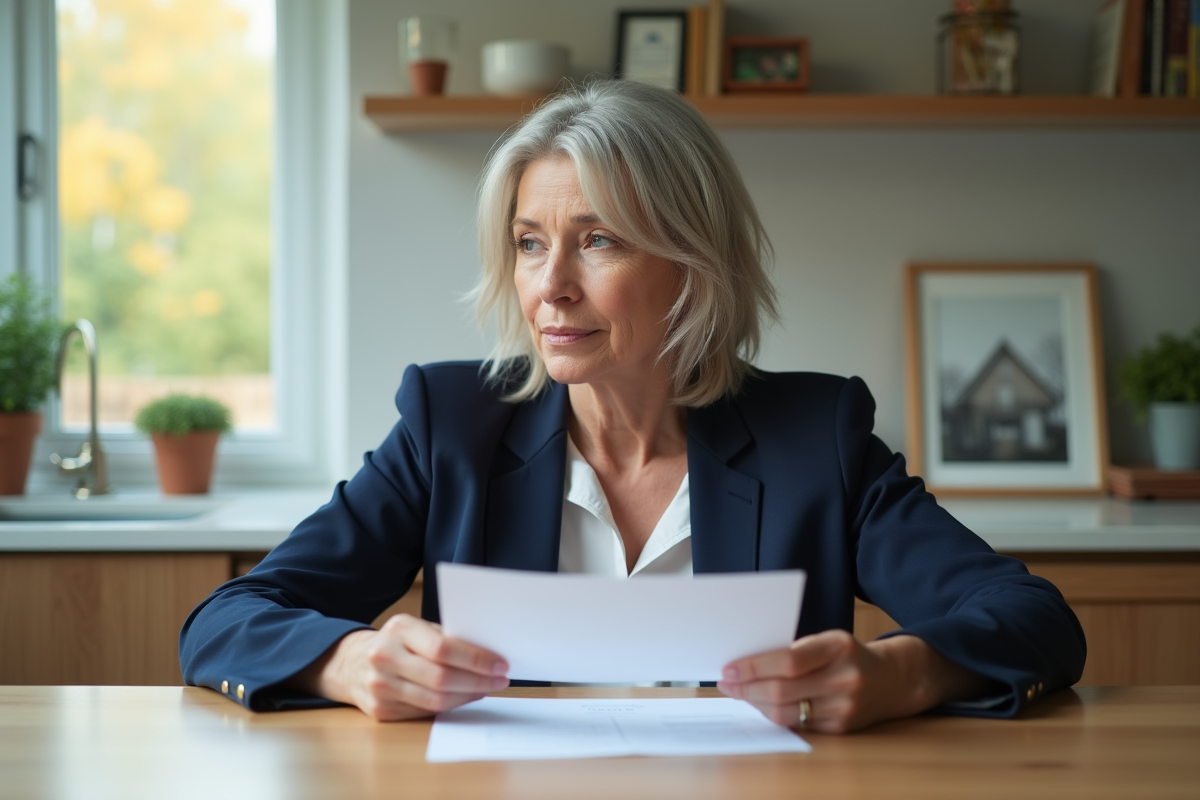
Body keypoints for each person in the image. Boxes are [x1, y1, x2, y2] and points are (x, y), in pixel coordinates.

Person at [179, 80, 1085, 734]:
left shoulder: (819, 437)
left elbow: (1034, 618)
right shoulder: (449, 424)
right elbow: (226, 620)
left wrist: (899, 674)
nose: (550, 289)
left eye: (598, 241)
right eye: (531, 244)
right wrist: (348, 661)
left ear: (693, 265)